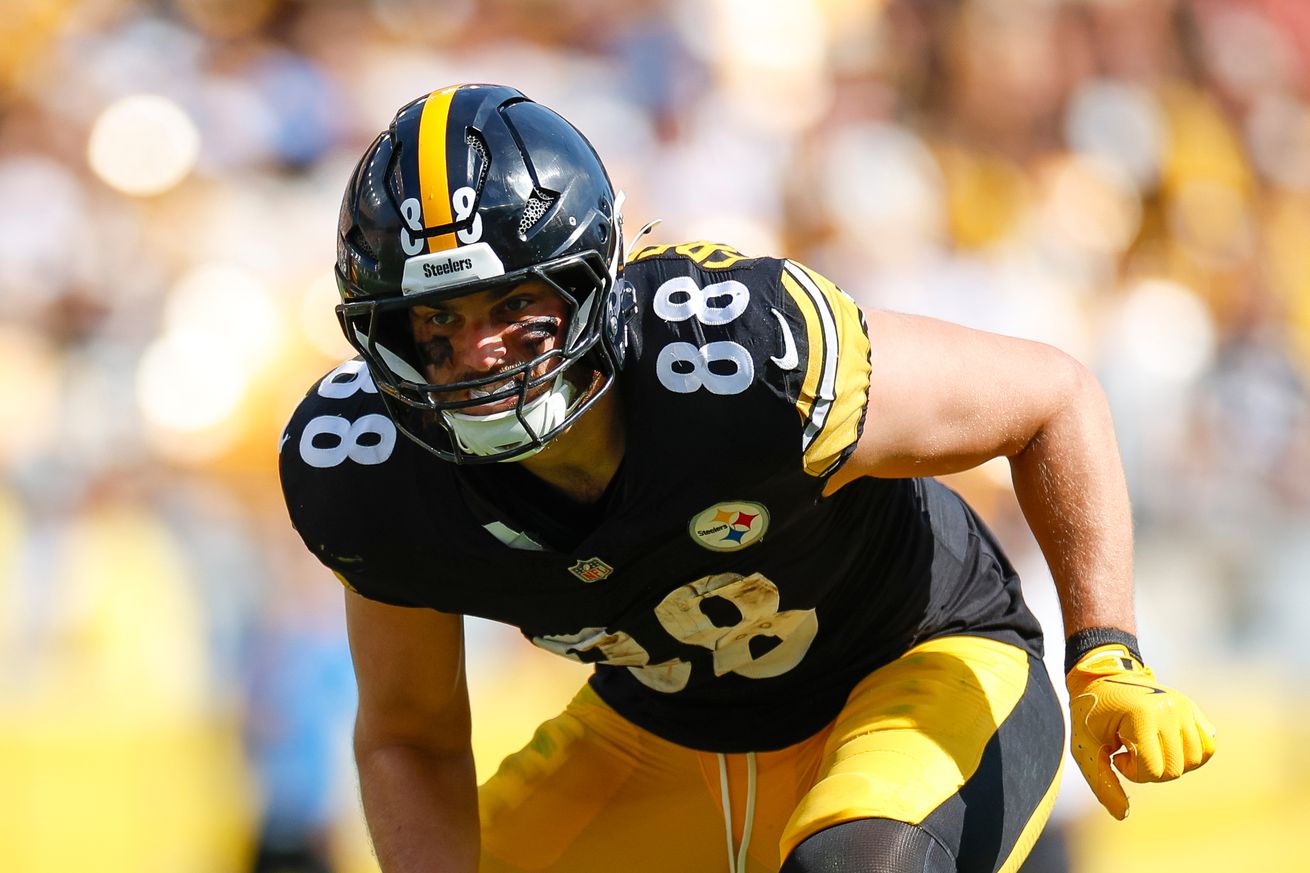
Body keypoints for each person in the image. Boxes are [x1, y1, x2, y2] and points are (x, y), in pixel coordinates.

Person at [278, 84, 1216, 873]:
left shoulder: (733, 351)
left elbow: (1051, 396)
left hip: (910, 667)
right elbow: (410, 737)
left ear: (591, 287)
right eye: (435, 324)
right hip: (657, 735)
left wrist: (1104, 651)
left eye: (516, 305)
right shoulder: (367, 470)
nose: (480, 355)